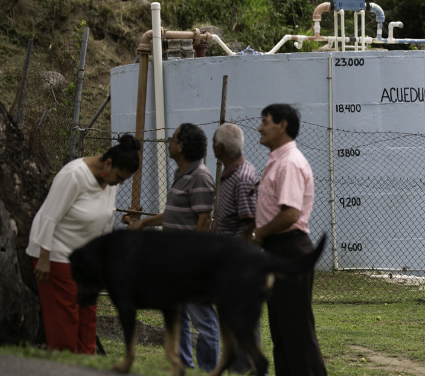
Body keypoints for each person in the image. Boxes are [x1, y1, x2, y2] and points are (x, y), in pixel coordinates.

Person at [26, 134, 140, 353]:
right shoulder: (74, 175)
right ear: (108, 163)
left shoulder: (110, 181)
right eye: (119, 177)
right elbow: (50, 216)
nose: (120, 183)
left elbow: (107, 220)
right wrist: (43, 257)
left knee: (87, 314)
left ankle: (86, 361)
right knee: (65, 316)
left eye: (124, 179)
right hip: (56, 253)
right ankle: (65, 360)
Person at [128, 123, 220, 373]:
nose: (169, 142)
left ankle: (210, 369)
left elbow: (204, 220)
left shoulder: (200, 176)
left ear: (181, 146)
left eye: (172, 139)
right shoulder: (181, 175)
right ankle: (184, 366)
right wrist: (145, 222)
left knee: (203, 319)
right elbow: (172, 214)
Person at [247, 103, 327, 376]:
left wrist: (258, 234)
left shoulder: (290, 163)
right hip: (278, 250)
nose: (260, 127)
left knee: (297, 331)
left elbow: (291, 212)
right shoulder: (278, 161)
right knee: (282, 331)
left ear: (282, 125)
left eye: (265, 121)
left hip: (289, 249)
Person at [211, 123, 261, 374]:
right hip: (227, 267)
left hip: (239, 270)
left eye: (213, 141)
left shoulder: (242, 177)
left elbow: (250, 224)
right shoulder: (229, 174)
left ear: (219, 147)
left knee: (242, 330)